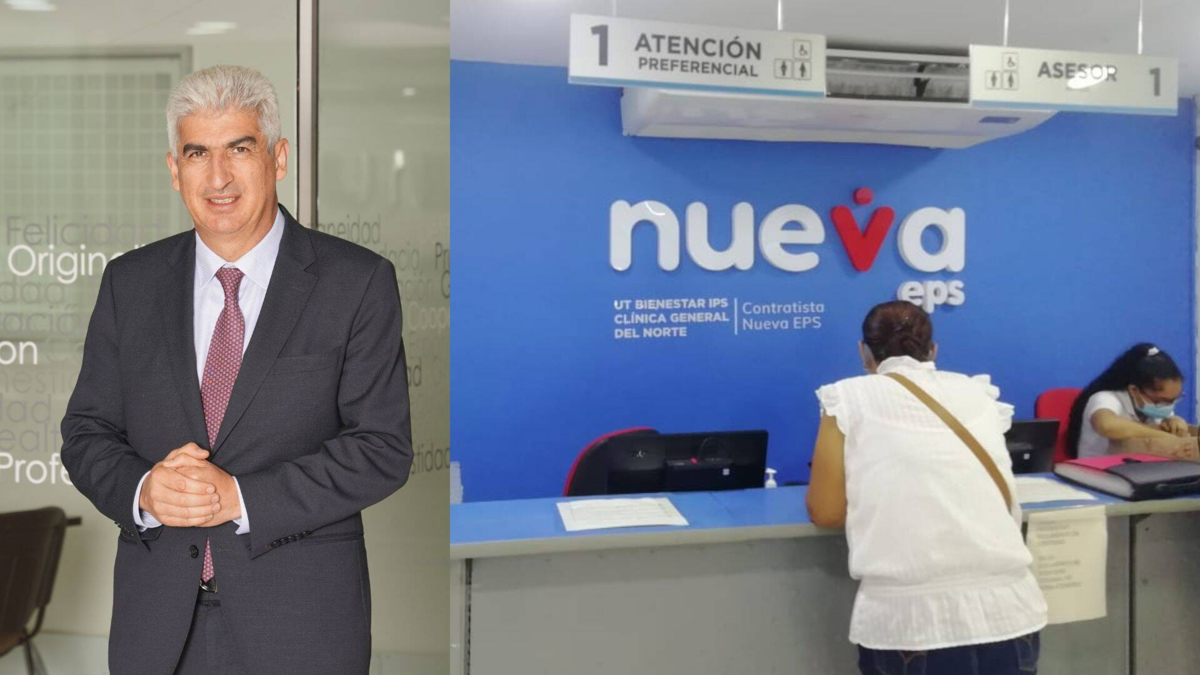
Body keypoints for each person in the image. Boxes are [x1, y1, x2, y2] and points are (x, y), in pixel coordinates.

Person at [60, 65, 413, 675]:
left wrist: (242, 497)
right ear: (174, 170)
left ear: (279, 158)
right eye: (197, 153)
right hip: (156, 629)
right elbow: (86, 433)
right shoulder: (129, 284)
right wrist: (144, 489)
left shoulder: (356, 282)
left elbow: (382, 447)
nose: (218, 176)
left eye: (239, 150)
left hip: (301, 629)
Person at [807, 300, 1046, 675]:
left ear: (864, 352)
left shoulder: (847, 398)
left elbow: (826, 511)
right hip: (1010, 613)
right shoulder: (978, 393)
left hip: (910, 622)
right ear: (933, 351)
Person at [1066, 343, 1189, 459]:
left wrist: (1175, 421)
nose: (1168, 406)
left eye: (1174, 399)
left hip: (1138, 469)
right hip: (1095, 469)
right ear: (1134, 390)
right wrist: (1163, 436)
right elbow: (1106, 425)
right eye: (1162, 400)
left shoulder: (1158, 406)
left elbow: (1167, 420)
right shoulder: (1106, 398)